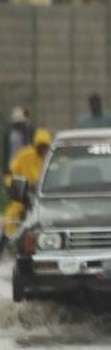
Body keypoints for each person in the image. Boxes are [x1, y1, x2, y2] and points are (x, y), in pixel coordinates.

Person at [2, 127, 52, 255]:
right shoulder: (24, 154)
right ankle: (8, 239)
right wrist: (12, 184)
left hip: (46, 194)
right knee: (13, 212)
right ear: (35, 144)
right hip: (24, 191)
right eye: (40, 146)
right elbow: (11, 172)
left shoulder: (51, 157)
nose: (42, 149)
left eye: (45, 146)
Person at [3, 106, 34, 175]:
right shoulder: (9, 134)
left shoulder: (27, 132)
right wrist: (6, 167)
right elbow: (6, 152)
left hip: (24, 164)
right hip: (12, 164)